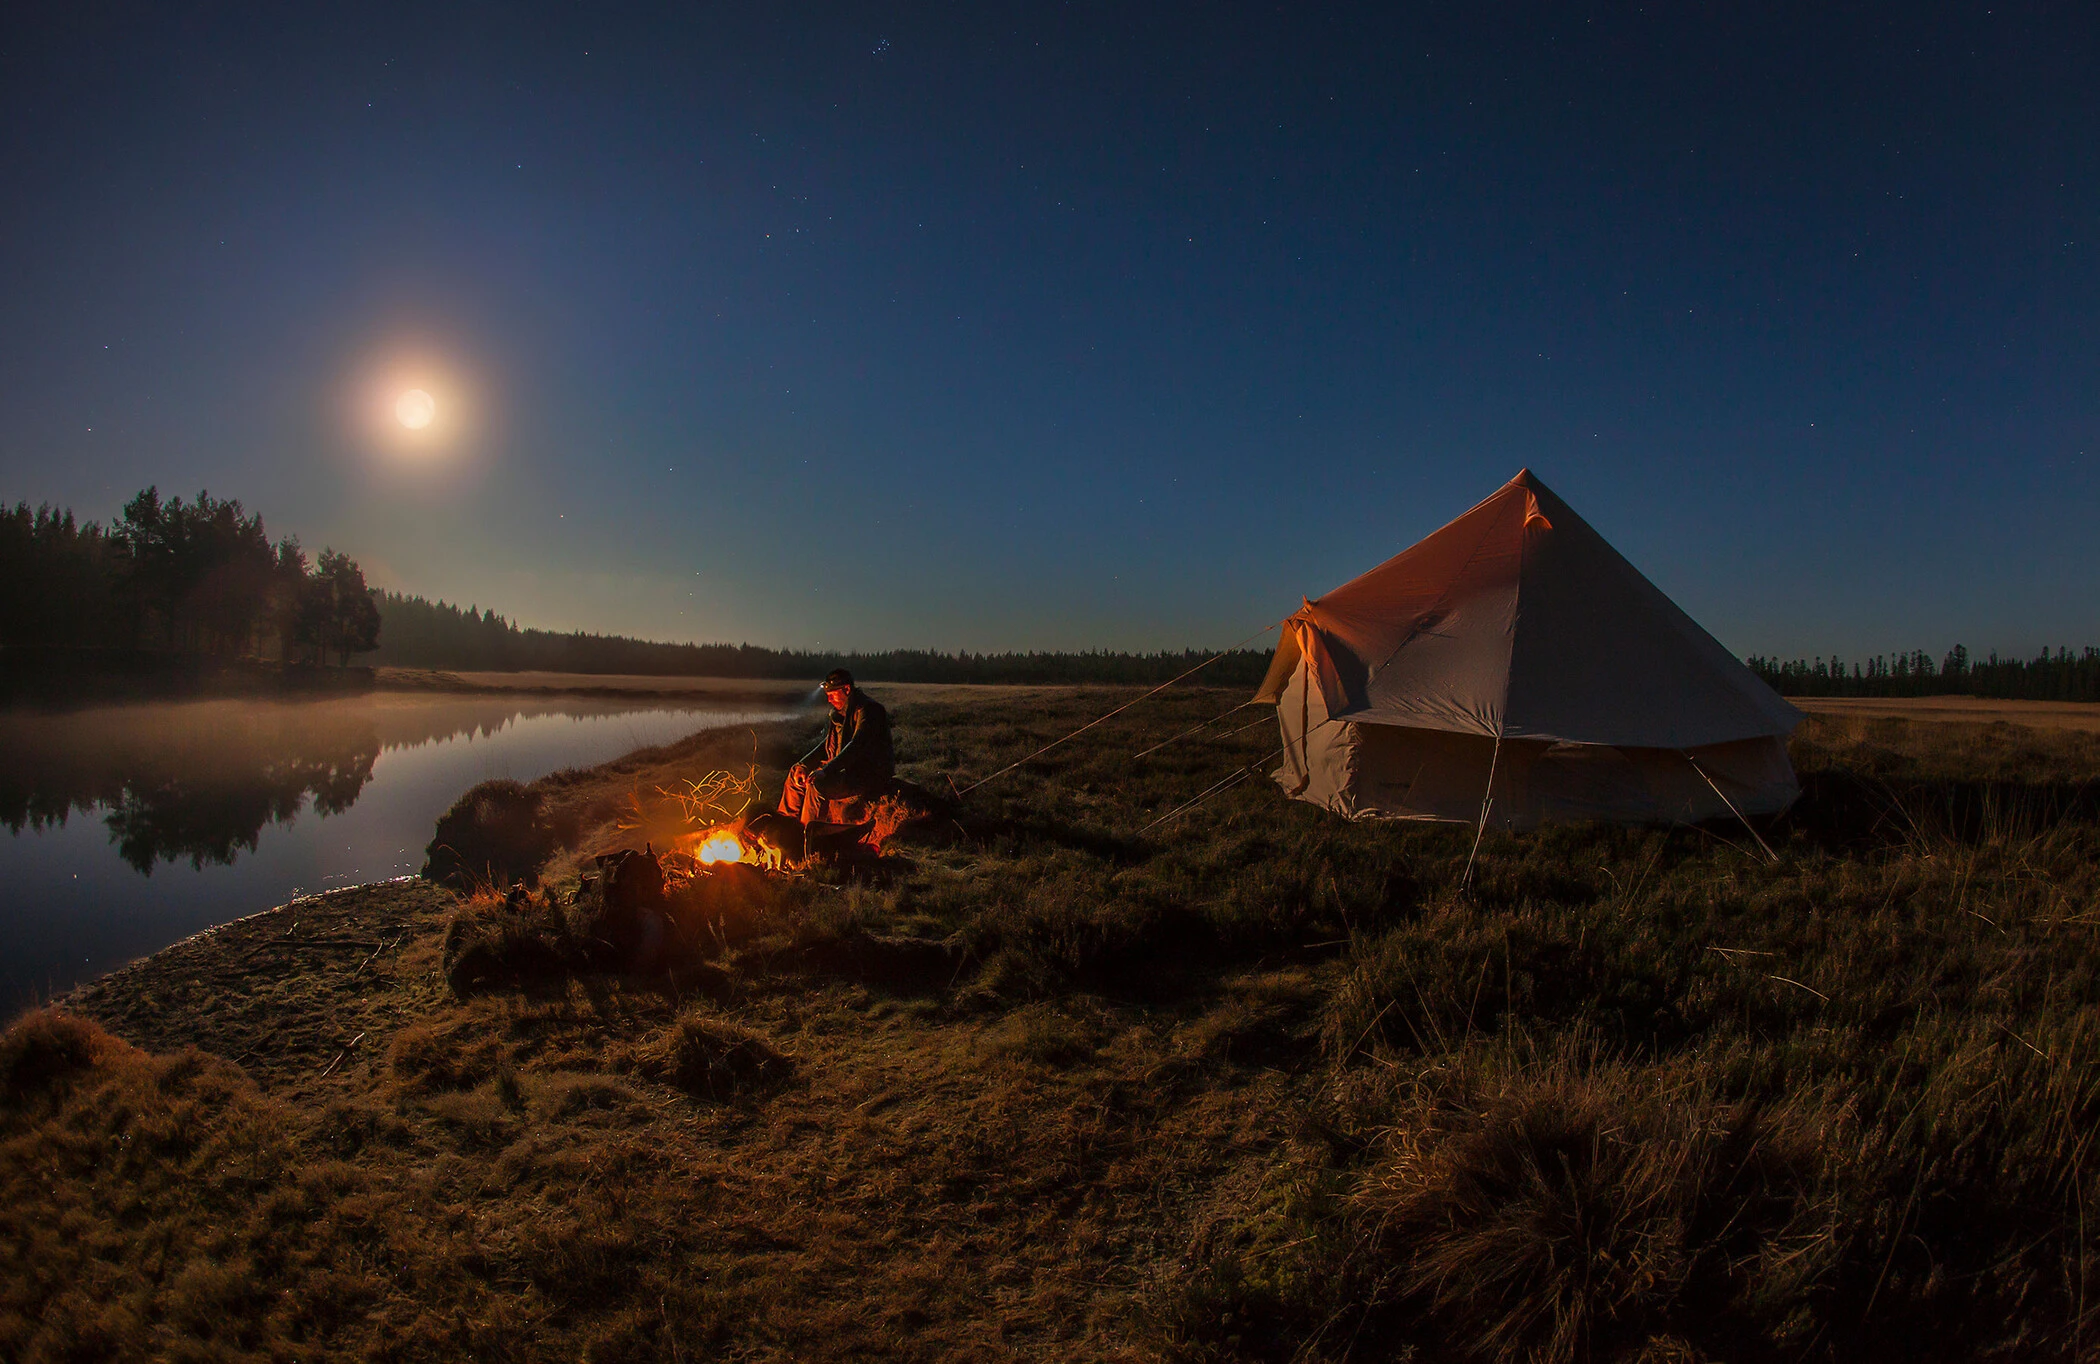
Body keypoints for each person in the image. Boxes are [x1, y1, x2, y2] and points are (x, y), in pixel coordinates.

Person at [776, 668, 895, 827]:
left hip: (866, 773)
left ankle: (807, 837)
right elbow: (827, 745)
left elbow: (857, 745)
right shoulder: (839, 714)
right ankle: (783, 828)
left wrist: (825, 771)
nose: (829, 700)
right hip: (844, 768)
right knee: (795, 773)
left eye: (832, 695)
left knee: (816, 785)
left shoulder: (870, 710)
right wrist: (803, 764)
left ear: (846, 689)